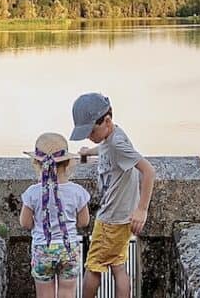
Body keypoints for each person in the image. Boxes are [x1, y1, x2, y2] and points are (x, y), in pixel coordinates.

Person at [69, 93, 156, 298]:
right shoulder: (112, 136)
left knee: (93, 266)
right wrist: (90, 151)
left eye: (91, 131)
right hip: (120, 217)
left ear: (106, 121)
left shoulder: (117, 143)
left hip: (111, 219)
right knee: (117, 264)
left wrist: (142, 210)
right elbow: (106, 148)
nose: (89, 135)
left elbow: (149, 171)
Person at [20, 132, 91, 298]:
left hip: (42, 248)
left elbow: (25, 223)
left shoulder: (32, 193)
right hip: (69, 249)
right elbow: (84, 222)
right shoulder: (77, 191)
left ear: (37, 163)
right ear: (67, 163)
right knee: (67, 292)